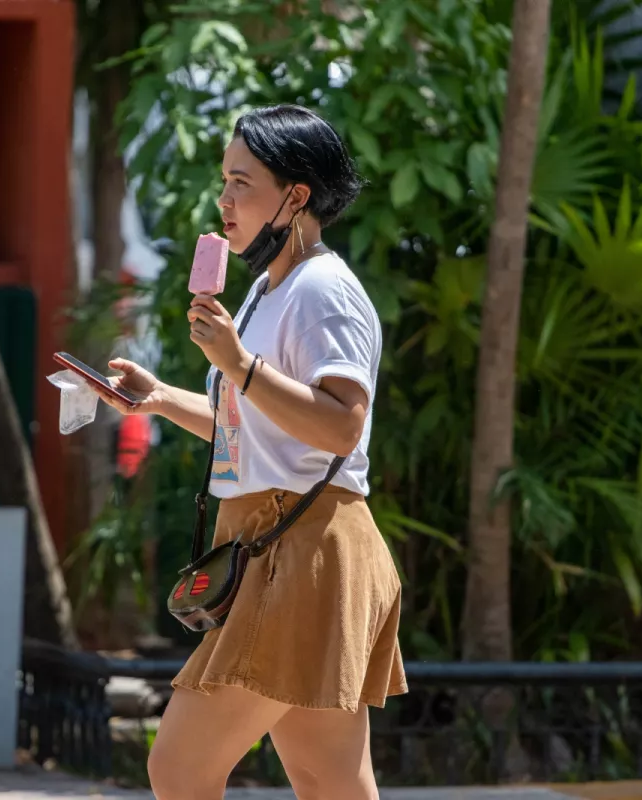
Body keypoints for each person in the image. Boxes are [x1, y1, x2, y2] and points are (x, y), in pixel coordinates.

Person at [101, 105, 405, 799]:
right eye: (224, 182)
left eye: (242, 183)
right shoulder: (268, 292)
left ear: (295, 196)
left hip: (300, 548)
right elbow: (252, 428)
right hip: (288, 542)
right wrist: (158, 399)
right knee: (330, 781)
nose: (224, 200)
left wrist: (238, 365)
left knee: (178, 768)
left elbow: (339, 428)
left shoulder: (324, 291)